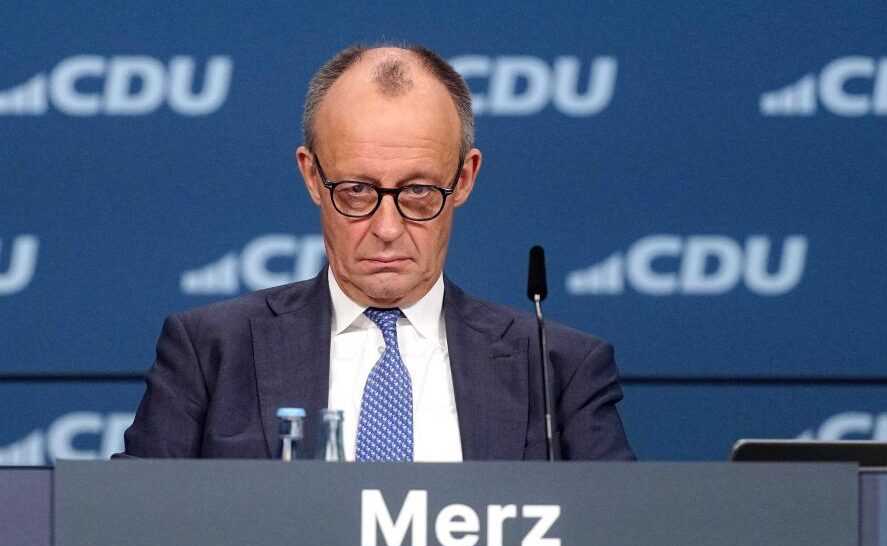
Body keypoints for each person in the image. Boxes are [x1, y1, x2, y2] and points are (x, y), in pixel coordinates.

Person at [121, 44, 634, 461]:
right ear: (311, 176)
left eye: (418, 192)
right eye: (356, 191)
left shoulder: (558, 370)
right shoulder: (212, 352)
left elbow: (620, 537)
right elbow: (129, 526)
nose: (387, 229)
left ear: (464, 179)